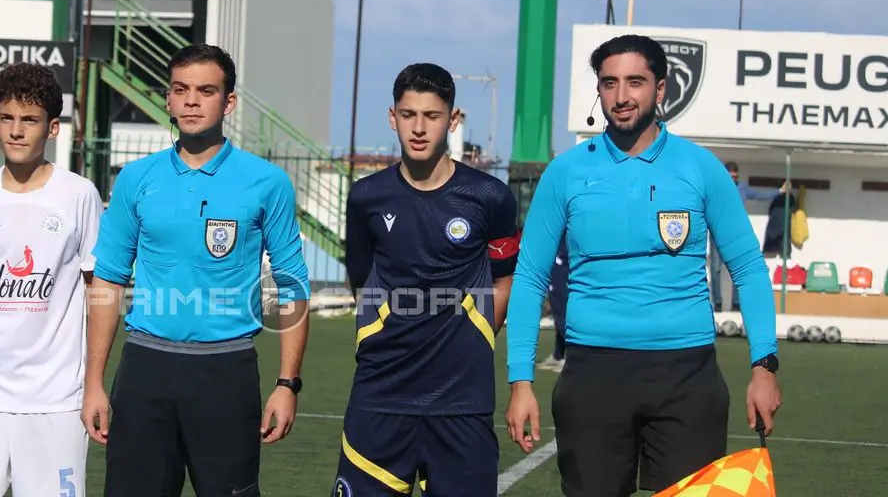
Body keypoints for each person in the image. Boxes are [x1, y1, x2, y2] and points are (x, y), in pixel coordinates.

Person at [505, 34, 783, 496]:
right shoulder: (566, 173)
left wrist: (764, 366)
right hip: (593, 374)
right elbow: (531, 277)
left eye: (635, 81)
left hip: (687, 375)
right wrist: (520, 381)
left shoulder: (701, 167)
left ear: (661, 88)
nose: (621, 95)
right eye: (609, 83)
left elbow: (749, 268)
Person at [83, 43, 312, 497]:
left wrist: (287, 383)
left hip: (226, 372)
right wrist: (93, 382)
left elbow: (291, 283)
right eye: (180, 89)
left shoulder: (266, 182)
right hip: (145, 369)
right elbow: (107, 280)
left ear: (228, 103)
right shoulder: (135, 179)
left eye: (206, 91)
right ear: (168, 99)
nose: (191, 101)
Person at [334, 63, 520, 497]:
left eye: (432, 116)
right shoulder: (366, 196)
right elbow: (361, 281)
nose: (419, 128)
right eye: (408, 114)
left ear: (452, 120)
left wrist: (472, 335)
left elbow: (505, 280)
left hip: (462, 404)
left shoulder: (491, 197)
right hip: (380, 398)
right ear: (392, 117)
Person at [0, 62, 103, 497]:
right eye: (6, 117)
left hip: (57, 397)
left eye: (29, 120)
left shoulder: (79, 195)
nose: (15, 131)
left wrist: (93, 380)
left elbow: (99, 292)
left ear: (52, 128)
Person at [708, 163, 784, 312]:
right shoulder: (715, 188)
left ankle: (736, 303)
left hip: (735, 234)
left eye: (735, 177)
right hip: (717, 232)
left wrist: (779, 191)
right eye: (730, 177)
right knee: (716, 268)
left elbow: (759, 196)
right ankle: (717, 302)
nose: (733, 179)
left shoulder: (742, 188)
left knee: (737, 267)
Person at [535, 237, 569, 373]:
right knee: (558, 311)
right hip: (557, 264)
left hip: (563, 265)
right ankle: (558, 354)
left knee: (562, 312)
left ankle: (569, 358)